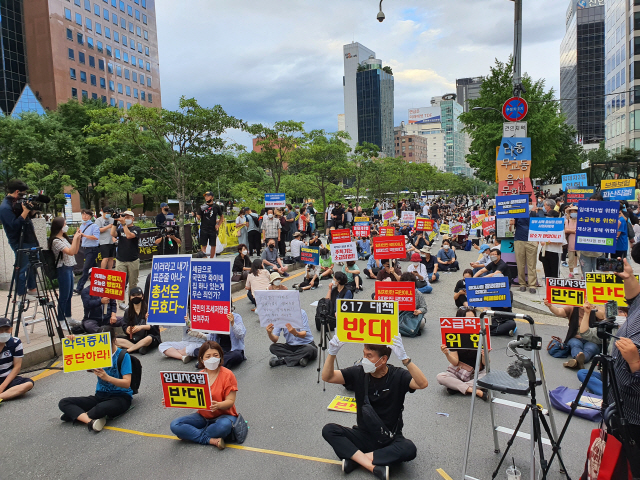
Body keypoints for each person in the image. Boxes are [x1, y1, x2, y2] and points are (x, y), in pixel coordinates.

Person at [321, 336, 428, 478]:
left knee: (409, 449)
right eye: (364, 354)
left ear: (383, 360)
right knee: (329, 430)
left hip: (389, 438)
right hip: (363, 434)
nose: (364, 359)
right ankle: (372, 466)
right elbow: (327, 377)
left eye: (369, 356)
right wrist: (332, 353)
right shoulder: (359, 372)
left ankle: (355, 459)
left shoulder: (398, 375)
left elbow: (422, 383)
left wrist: (405, 359)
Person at [59, 326, 133, 432]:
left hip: (120, 397)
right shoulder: (98, 353)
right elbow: (87, 367)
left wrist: (108, 378)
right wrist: (74, 342)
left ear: (114, 340)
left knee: (99, 409)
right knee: (63, 402)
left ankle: (78, 414)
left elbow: (127, 383)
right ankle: (90, 421)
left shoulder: (123, 356)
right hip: (100, 395)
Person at [169, 341, 239, 449]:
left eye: (215, 355)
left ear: (220, 356)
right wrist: (170, 400)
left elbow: (230, 401)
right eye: (208, 356)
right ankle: (209, 439)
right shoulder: (198, 377)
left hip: (225, 416)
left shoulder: (228, 375)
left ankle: (192, 435)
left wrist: (219, 405)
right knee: (175, 425)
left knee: (223, 426)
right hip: (203, 417)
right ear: (202, 359)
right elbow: (185, 396)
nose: (212, 358)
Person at [436, 308, 488, 401]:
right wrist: (447, 354)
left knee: (488, 377)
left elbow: (485, 363)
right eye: (467, 319)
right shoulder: (454, 335)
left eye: (473, 318)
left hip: (476, 373)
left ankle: (456, 387)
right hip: (459, 373)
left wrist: (485, 355)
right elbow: (455, 362)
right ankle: (475, 391)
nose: (470, 321)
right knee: (440, 377)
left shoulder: (481, 334)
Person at [0, 179, 38, 297]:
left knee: (33, 265)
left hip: (30, 237)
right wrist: (25, 211)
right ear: (17, 192)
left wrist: (32, 210)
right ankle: (21, 293)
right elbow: (13, 226)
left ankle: (32, 289)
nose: (25, 196)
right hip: (19, 241)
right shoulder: (5, 207)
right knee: (21, 268)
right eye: (23, 193)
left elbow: (27, 218)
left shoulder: (19, 202)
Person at [543, 299, 604, 369]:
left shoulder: (594, 309)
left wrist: (593, 309)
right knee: (575, 345)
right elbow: (559, 311)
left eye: (586, 299)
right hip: (576, 337)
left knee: (590, 348)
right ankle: (579, 360)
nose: (584, 302)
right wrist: (550, 306)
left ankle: (576, 361)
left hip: (591, 340)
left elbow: (603, 316)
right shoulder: (572, 309)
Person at [49, 217, 82, 328]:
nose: (66, 226)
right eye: (65, 224)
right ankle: (61, 320)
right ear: (59, 226)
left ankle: (68, 317)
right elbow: (71, 252)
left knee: (69, 295)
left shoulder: (63, 238)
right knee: (64, 295)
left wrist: (77, 239)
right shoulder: (55, 241)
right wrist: (76, 238)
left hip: (69, 267)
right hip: (62, 268)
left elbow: (75, 250)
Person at [115, 287, 161, 354]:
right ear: (130, 298)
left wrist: (141, 327)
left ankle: (130, 349)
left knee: (149, 338)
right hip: (134, 338)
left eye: (138, 295)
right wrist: (127, 329)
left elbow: (154, 327)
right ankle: (138, 348)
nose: (136, 297)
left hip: (148, 337)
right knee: (115, 340)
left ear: (142, 297)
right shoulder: (128, 312)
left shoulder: (149, 309)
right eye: (133, 295)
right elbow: (124, 324)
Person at [111, 210, 141, 309]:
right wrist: (115, 221)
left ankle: (132, 301)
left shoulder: (137, 228)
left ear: (133, 218)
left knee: (133, 283)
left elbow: (129, 236)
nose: (126, 218)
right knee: (120, 282)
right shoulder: (120, 229)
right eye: (125, 216)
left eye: (128, 217)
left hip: (133, 259)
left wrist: (124, 224)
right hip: (120, 259)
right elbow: (113, 233)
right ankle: (121, 303)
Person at [0, 317, 34, 403]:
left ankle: (1, 396)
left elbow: (17, 367)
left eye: (6, 330)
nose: (3, 333)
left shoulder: (15, 342)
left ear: (11, 329)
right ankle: (7, 394)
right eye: (0, 330)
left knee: (28, 384)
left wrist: (2, 386)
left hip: (7, 378)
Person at [510, 209, 538, 293]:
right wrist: (511, 223)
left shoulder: (534, 213)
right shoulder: (517, 213)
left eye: (529, 202)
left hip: (532, 240)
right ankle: (522, 283)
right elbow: (511, 229)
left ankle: (532, 285)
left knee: (532, 264)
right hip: (519, 240)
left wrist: (539, 240)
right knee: (520, 264)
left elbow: (540, 226)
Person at [197, 192, 225, 258]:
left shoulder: (216, 207)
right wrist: (196, 215)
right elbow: (198, 217)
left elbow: (222, 217)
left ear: (212, 197)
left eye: (208, 196)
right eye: (205, 196)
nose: (206, 197)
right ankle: (204, 258)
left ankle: (212, 259)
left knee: (213, 245)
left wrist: (218, 225)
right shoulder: (202, 207)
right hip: (204, 228)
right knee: (204, 245)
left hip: (212, 228)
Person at [564, 205, 578, 278]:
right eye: (571, 212)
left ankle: (582, 273)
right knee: (571, 258)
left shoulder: (580, 221)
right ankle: (571, 272)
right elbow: (566, 230)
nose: (573, 213)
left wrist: (571, 231)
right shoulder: (567, 221)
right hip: (571, 241)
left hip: (579, 242)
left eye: (575, 211)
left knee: (581, 258)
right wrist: (574, 231)